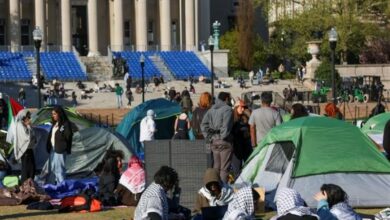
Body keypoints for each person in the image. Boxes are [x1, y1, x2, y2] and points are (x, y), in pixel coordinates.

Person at [201, 92, 234, 183]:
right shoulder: (228, 109)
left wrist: (208, 136)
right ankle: (222, 190)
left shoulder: (212, 109)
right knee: (224, 169)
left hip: (214, 141)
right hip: (224, 141)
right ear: (226, 99)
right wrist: (223, 136)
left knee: (216, 167)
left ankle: (215, 188)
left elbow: (203, 124)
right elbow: (226, 126)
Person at [46, 106, 73, 184]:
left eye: (54, 114)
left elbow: (68, 136)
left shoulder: (65, 124)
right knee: (52, 169)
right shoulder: (55, 124)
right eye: (52, 114)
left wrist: (63, 145)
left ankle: (62, 186)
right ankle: (53, 186)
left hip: (60, 150)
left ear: (59, 114)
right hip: (53, 150)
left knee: (59, 170)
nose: (53, 116)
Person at [10, 110, 37, 183]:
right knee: (27, 170)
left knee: (32, 169)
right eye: (27, 117)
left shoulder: (25, 125)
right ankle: (25, 186)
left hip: (29, 149)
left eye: (29, 117)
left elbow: (33, 136)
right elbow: (26, 138)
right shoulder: (19, 125)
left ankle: (29, 185)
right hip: (24, 150)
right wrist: (28, 126)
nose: (29, 118)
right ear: (23, 117)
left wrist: (29, 126)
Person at [232, 100, 252, 175]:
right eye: (241, 107)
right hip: (236, 147)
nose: (243, 109)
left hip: (245, 146)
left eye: (244, 108)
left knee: (247, 168)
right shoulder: (231, 118)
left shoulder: (245, 117)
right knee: (237, 169)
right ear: (236, 107)